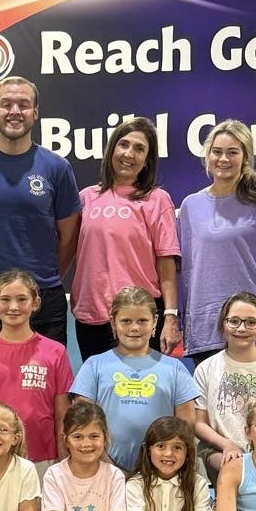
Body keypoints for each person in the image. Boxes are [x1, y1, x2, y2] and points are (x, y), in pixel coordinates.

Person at [0, 76, 81, 345]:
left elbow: (69, 236)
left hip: (44, 297)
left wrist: (42, 279)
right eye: (6, 104)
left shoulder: (57, 168)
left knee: (49, 373)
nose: (14, 111)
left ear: (35, 112)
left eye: (23, 105)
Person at [177, 120, 256, 364]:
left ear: (245, 157)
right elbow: (188, 270)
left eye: (232, 152)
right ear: (207, 155)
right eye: (217, 151)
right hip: (207, 328)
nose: (223, 159)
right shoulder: (190, 206)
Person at [71, 116, 181, 357]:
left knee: (141, 382)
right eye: (123, 144)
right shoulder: (86, 197)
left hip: (138, 317)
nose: (129, 154)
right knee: (97, 383)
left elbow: (166, 264)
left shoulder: (157, 200)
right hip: (91, 316)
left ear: (147, 161)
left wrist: (170, 316)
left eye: (139, 149)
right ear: (112, 149)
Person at [70, 286, 197, 471]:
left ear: (155, 321)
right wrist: (111, 469)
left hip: (162, 471)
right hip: (104, 470)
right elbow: (82, 422)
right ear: (113, 322)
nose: (134, 328)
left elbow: (186, 426)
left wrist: (162, 468)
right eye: (126, 321)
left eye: (142, 321)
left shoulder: (175, 369)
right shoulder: (94, 365)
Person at [0, 269, 73, 469]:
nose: (13, 307)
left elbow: (62, 415)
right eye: (5, 299)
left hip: (43, 459)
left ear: (35, 303)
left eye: (22, 299)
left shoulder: (56, 352)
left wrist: (63, 464)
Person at [192, 292, 256, 481]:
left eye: (251, 322)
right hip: (219, 450)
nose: (241, 328)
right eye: (234, 321)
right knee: (234, 470)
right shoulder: (206, 368)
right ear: (223, 324)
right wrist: (227, 445)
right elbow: (199, 423)